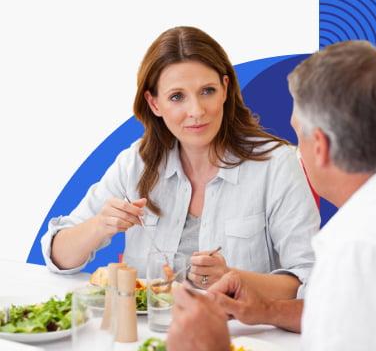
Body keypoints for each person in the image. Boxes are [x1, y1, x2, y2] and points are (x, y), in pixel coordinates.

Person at [167, 40, 376, 351]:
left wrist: (211, 347)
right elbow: (353, 314)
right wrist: (268, 310)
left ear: (320, 147)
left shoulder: (359, 249)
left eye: (298, 134)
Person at [41, 26, 320, 296]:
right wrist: (99, 224)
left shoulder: (275, 164)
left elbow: (311, 279)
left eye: (207, 91)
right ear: (154, 104)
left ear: (225, 89)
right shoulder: (136, 163)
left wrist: (235, 280)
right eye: (177, 97)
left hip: (239, 338)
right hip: (148, 338)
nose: (196, 111)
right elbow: (57, 257)